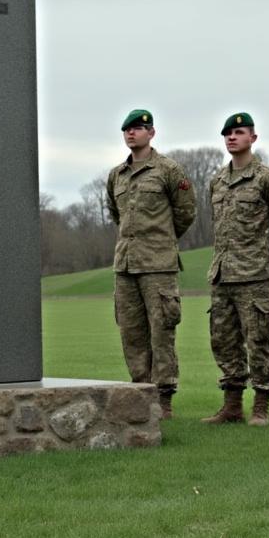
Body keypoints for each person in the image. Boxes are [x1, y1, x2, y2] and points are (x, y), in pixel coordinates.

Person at [107, 109, 197, 419]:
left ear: (151, 132)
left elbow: (186, 212)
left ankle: (164, 399)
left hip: (158, 266)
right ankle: (140, 394)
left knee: (162, 333)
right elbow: (117, 215)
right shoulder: (117, 175)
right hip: (125, 266)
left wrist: (161, 240)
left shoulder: (169, 170)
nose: (131, 133)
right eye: (127, 129)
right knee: (131, 334)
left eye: (138, 128)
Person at [200, 113, 269, 426]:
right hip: (222, 273)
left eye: (239, 132)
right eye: (228, 134)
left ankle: (261, 405)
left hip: (254, 275)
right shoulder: (217, 181)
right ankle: (232, 406)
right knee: (223, 340)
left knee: (258, 340)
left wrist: (265, 255)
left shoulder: (267, 178)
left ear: (253, 138)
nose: (232, 137)